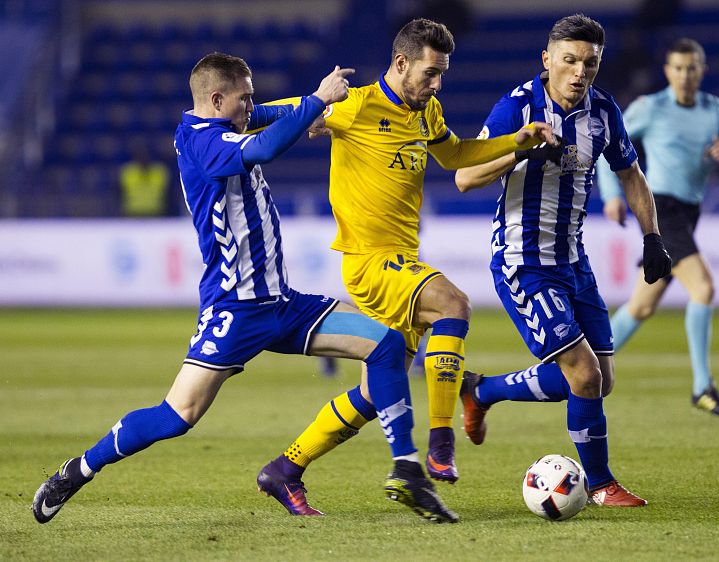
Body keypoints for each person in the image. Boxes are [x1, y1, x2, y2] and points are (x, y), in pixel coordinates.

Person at [32, 52, 458, 525]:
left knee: (386, 343)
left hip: (283, 303)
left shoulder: (225, 121)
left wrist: (321, 111)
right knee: (178, 416)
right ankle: (78, 470)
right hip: (234, 311)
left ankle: (405, 469)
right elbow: (262, 149)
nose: (252, 105)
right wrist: (317, 100)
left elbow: (271, 118)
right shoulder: (199, 141)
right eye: (245, 97)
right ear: (216, 99)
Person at [262, 18, 556, 487]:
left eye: (441, 74)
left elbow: (456, 155)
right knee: (454, 304)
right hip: (370, 260)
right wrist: (306, 107)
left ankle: (285, 467)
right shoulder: (354, 106)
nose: (436, 84)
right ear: (400, 63)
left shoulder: (427, 111)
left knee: (376, 390)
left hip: (400, 258)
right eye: (429, 73)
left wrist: (515, 145)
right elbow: (265, 114)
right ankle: (442, 442)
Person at [453, 13, 673, 506]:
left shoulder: (603, 111)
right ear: (547, 60)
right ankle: (599, 485)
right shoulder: (516, 107)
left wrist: (652, 237)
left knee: (599, 380)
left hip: (573, 261)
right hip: (522, 262)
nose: (579, 73)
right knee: (584, 373)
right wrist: (521, 151)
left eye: (589, 64)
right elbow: (465, 178)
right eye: (569, 61)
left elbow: (631, 175)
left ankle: (482, 391)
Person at [596, 38, 719, 416]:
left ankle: (579, 367)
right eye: (678, 68)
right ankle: (703, 387)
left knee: (641, 306)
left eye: (692, 68)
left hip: (688, 213)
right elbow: (608, 149)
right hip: (659, 209)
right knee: (703, 287)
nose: (685, 75)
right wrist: (612, 196)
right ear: (668, 71)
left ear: (702, 70)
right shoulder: (651, 108)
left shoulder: (717, 112)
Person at [119, 140, 170, 217]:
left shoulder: (159, 172)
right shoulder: (128, 172)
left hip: (156, 212)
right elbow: (119, 193)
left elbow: (168, 194)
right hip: (132, 212)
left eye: (145, 155)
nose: (143, 158)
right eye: (140, 156)